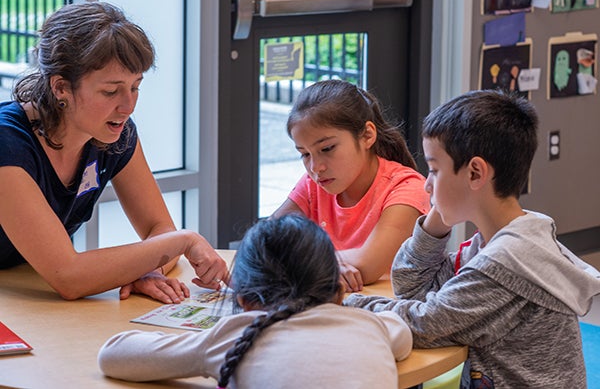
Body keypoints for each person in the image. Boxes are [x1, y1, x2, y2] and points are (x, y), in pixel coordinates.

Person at [345, 89, 600, 388]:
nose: (427, 184)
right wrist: (435, 222)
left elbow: (425, 325)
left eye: (434, 170)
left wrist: (348, 303)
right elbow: (411, 286)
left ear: (475, 173)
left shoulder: (504, 264)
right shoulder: (505, 240)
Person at [0, 1, 228, 302]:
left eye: (135, 87)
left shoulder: (114, 132)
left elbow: (158, 229)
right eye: (110, 91)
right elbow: (68, 276)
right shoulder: (7, 142)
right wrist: (184, 240)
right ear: (60, 88)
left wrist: (146, 271)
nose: (128, 105)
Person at [98, 214, 413, 388]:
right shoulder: (369, 326)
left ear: (244, 299)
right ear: (338, 290)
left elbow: (113, 355)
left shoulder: (238, 336)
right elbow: (401, 331)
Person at [271, 79, 430, 292]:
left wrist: (306, 261)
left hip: (386, 317)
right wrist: (327, 265)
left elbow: (367, 264)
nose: (315, 167)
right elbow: (264, 245)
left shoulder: (407, 187)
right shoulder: (314, 184)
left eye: (327, 148)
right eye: (305, 154)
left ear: (367, 136)